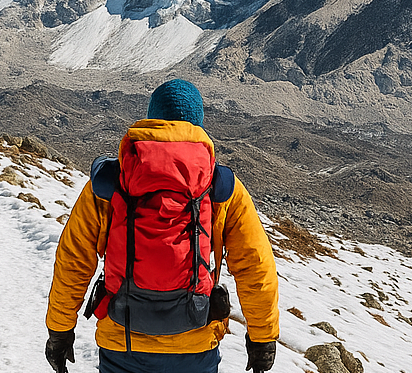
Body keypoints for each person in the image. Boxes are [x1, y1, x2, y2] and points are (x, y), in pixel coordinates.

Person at [45, 79, 279, 373]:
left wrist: (60, 330)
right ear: (198, 123)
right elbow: (255, 265)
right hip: (195, 342)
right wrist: (262, 337)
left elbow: (74, 259)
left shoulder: (109, 183)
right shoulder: (221, 187)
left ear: (152, 118)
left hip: (123, 341)